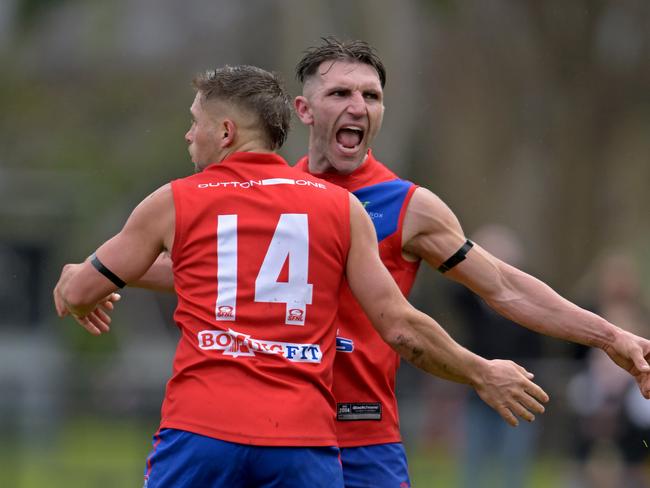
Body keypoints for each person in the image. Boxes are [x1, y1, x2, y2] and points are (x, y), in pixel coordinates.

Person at [53, 65, 550, 488]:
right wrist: (479, 370)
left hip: (200, 432)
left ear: (225, 133)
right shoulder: (341, 207)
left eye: (194, 123)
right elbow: (399, 325)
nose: (188, 135)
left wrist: (77, 289)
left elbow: (79, 291)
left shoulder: (175, 200)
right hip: (302, 441)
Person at [290, 37, 650, 487]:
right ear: (304, 109)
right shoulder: (271, 197)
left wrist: (609, 336)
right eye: (340, 93)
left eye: (372, 95)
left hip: (364, 439)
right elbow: (194, 271)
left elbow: (504, 285)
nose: (359, 106)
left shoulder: (408, 206)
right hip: (279, 434)